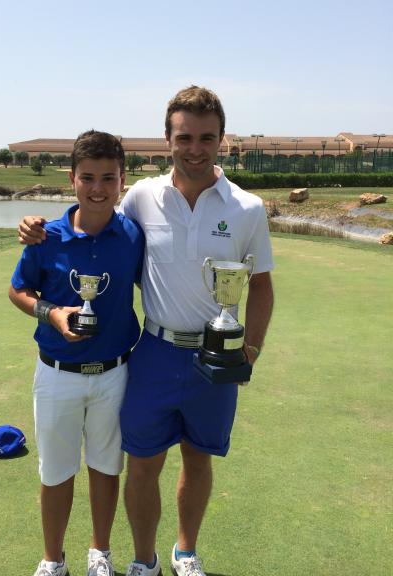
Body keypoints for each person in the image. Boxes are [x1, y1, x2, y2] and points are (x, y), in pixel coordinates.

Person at [18, 86, 274, 576]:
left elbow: (260, 286)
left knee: (199, 459)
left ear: (222, 139)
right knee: (142, 463)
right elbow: (91, 219)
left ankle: (185, 552)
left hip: (216, 356)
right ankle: (144, 560)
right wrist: (36, 226)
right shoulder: (141, 197)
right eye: (185, 137)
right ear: (167, 140)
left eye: (207, 137)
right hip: (153, 350)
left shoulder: (247, 208)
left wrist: (252, 350)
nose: (195, 148)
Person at [10, 130, 144, 576]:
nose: (98, 188)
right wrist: (51, 314)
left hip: (114, 373)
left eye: (109, 178)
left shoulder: (132, 235)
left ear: (123, 180)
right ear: (72, 179)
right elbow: (18, 290)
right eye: (88, 178)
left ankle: (99, 553)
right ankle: (53, 559)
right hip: (57, 373)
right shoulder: (46, 237)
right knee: (55, 472)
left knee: (106, 468)